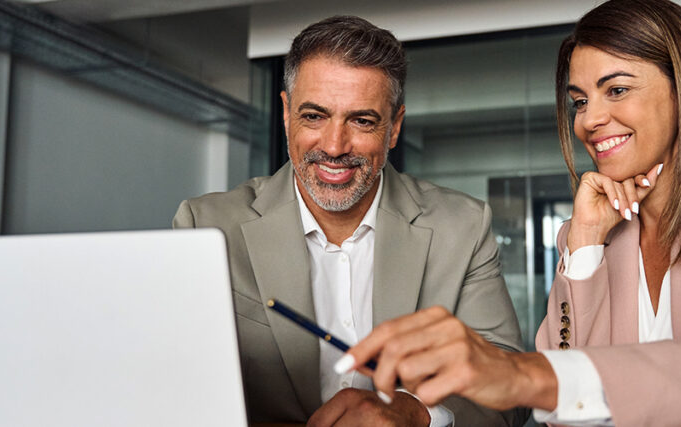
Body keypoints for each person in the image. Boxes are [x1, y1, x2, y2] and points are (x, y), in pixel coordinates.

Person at [335, 1, 681, 425]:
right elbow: (561, 407)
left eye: (616, 89)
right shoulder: (601, 234)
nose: (589, 120)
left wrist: (521, 374)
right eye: (580, 101)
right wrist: (582, 248)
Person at [173, 16, 527, 427]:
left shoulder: (463, 227)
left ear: (394, 126)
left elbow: (511, 391)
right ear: (287, 112)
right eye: (314, 116)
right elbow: (175, 385)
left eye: (361, 120)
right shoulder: (205, 227)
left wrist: (418, 413)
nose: (334, 146)